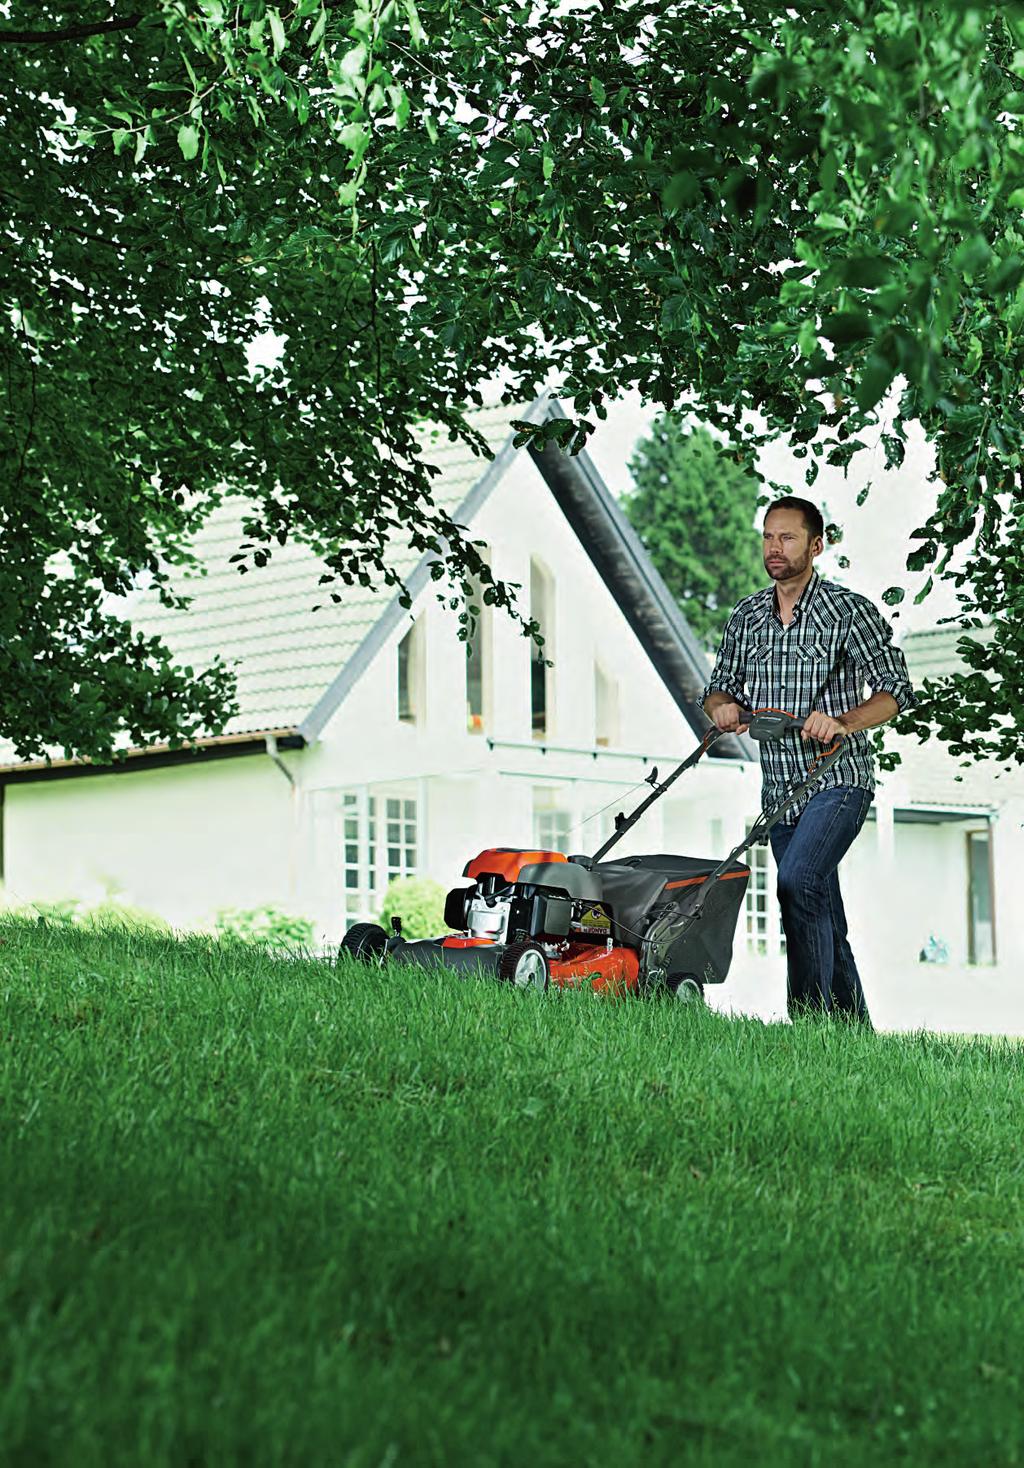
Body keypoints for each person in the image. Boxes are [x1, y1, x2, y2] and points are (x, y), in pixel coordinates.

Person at [702, 496, 915, 1026]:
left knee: (797, 882)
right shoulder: (748, 616)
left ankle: (808, 1022)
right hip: (779, 793)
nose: (775, 548)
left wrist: (843, 721)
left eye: (788, 538)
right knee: (820, 907)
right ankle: (851, 1036)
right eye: (769, 537)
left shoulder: (849, 612)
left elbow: (895, 691)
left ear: (816, 545)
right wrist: (723, 707)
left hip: (836, 780)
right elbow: (717, 690)